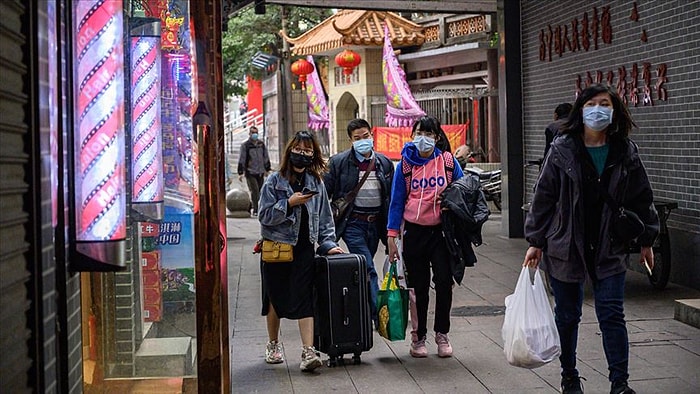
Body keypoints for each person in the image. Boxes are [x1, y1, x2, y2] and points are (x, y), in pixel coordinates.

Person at [523, 84, 659, 394]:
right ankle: (569, 375)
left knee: (611, 314)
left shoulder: (625, 150)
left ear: (614, 111)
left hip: (610, 244)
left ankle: (620, 383)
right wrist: (536, 240)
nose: (598, 109)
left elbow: (642, 197)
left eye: (605, 104)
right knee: (568, 315)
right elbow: (544, 197)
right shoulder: (562, 149)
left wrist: (647, 240)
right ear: (581, 110)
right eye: (591, 104)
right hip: (566, 244)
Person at [258, 131, 344, 372]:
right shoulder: (274, 181)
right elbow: (264, 216)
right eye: (298, 149)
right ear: (290, 151)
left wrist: (329, 245)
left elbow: (326, 219)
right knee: (275, 298)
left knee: (305, 296)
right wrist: (289, 203)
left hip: (305, 249)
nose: (302, 155)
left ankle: (308, 351)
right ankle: (273, 344)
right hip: (277, 249)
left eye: (308, 151)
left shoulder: (315, 182)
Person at [386, 115, 465, 358]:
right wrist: (391, 236)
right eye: (420, 133)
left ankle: (442, 333)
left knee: (443, 281)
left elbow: (464, 191)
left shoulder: (448, 162)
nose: (424, 139)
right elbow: (397, 201)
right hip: (414, 231)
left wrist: (451, 202)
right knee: (418, 287)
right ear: (412, 136)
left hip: (441, 233)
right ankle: (418, 338)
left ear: (438, 137)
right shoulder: (405, 166)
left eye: (429, 134)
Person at [324, 118, 394, 328]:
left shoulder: (384, 162)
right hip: (353, 223)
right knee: (368, 267)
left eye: (365, 136)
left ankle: (361, 305)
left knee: (365, 269)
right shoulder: (338, 162)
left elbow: (390, 196)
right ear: (350, 141)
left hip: (376, 223)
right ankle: (377, 316)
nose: (362, 141)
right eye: (357, 138)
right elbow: (325, 193)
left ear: (371, 135)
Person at [238, 125, 271, 216]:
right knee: (255, 191)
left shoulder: (261, 144)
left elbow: (265, 156)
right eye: (253, 133)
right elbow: (242, 158)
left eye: (256, 133)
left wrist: (267, 168)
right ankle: (256, 209)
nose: (255, 134)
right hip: (250, 171)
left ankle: (260, 208)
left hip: (260, 171)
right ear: (249, 133)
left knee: (261, 191)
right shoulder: (246, 145)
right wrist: (241, 172)